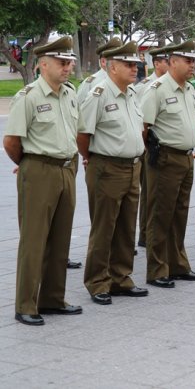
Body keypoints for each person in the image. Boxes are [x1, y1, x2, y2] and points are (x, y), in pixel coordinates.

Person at [4, 36, 82, 326]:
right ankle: (25, 304)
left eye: (70, 63)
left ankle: (52, 298)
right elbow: (12, 141)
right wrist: (29, 166)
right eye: (62, 63)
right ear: (43, 65)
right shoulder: (29, 97)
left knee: (60, 239)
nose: (68, 68)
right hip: (39, 170)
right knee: (34, 240)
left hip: (66, 169)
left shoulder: (70, 94)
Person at [77, 41, 148, 305]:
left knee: (127, 226)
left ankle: (121, 277)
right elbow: (83, 134)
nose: (135, 69)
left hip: (132, 166)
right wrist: (92, 159)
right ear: (112, 66)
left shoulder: (131, 93)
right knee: (104, 227)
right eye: (129, 65)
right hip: (107, 167)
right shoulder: (98, 93)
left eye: (135, 65)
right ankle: (97, 281)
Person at [140, 40, 195, 288]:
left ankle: (177, 263)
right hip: (165, 158)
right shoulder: (156, 89)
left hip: (186, 158)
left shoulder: (188, 89)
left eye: (194, 61)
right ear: (172, 61)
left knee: (179, 214)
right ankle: (157, 269)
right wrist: (153, 155)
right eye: (188, 61)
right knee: (160, 214)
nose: (192, 66)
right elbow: (143, 127)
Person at [134, 46, 170, 248]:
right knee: (148, 191)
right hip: (149, 146)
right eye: (167, 61)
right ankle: (145, 234)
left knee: (153, 192)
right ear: (158, 63)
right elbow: (142, 121)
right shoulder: (146, 86)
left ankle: (148, 234)